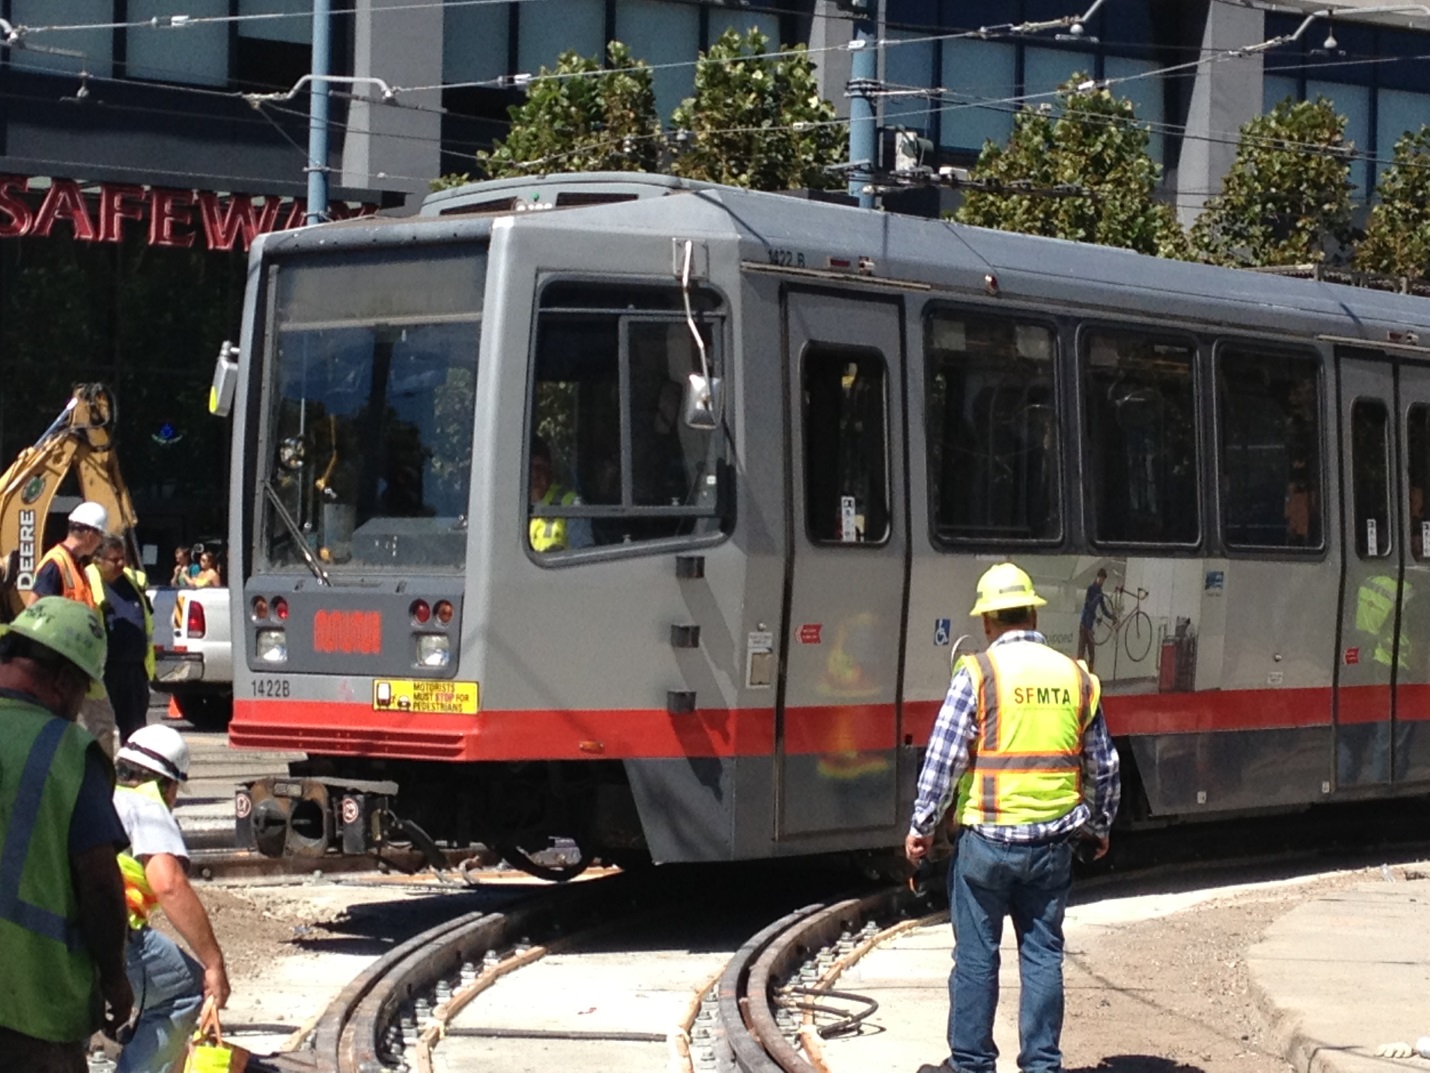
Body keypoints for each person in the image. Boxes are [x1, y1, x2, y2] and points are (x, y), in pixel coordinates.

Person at [906, 562, 1121, 1073]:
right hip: (1051, 850)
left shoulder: (978, 674)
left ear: (987, 622)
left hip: (986, 847)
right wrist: (1099, 827)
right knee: (1043, 955)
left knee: (977, 959)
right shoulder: (1075, 676)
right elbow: (1105, 767)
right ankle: (1042, 1065)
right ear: (1031, 613)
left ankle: (972, 1065)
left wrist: (922, 826)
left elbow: (943, 760)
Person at [0, 597, 133, 1073]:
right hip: (30, 1005)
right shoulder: (67, 753)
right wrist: (115, 977)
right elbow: (99, 882)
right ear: (62, 682)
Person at [111, 724, 230, 1073]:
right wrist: (214, 963)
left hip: (59, 926)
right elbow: (170, 885)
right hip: (115, 933)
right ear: (168, 784)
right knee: (185, 991)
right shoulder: (147, 804)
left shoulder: (98, 794)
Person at [27, 502, 118, 757]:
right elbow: (33, 610)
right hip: (64, 665)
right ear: (89, 533)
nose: (99, 544)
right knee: (78, 729)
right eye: (99, 536)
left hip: (83, 665)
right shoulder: (55, 564)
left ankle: (97, 785)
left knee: (102, 728)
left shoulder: (77, 565)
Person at [87, 535, 155, 743]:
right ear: (97, 561)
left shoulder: (134, 582)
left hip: (135, 671)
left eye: (121, 558)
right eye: (113, 559)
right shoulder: (88, 584)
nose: (120, 563)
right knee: (100, 731)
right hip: (105, 672)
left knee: (135, 731)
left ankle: (132, 772)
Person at [24, 501, 110, 608]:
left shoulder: (75, 564)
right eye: (101, 535)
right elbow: (32, 611)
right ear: (90, 535)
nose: (100, 542)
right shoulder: (55, 564)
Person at [528, 436, 592, 552]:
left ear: (550, 471)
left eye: (540, 467)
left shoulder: (571, 504)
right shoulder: (513, 505)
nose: (534, 475)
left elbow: (583, 558)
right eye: (529, 468)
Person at [1076, 568, 1116, 672]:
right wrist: (1095, 616)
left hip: (1090, 626)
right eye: (1101, 579)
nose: (1102, 581)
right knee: (1081, 653)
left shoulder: (1100, 592)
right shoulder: (1091, 589)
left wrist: (1112, 617)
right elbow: (1088, 605)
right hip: (1084, 624)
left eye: (1103, 580)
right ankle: (1079, 674)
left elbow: (1103, 609)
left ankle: (1090, 674)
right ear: (1097, 578)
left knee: (1091, 654)